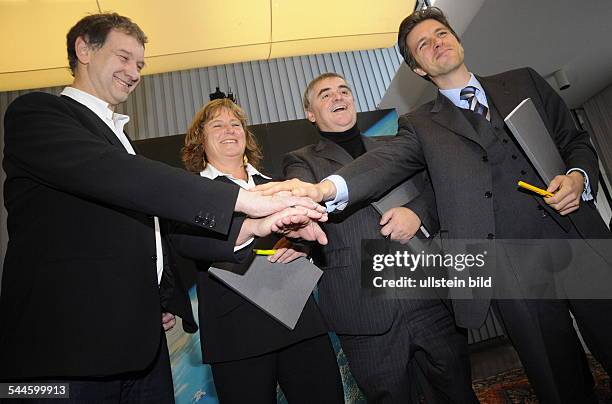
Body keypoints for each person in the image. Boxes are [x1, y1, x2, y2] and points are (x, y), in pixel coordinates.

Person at [256, 7, 612, 403]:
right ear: (418, 69)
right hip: (507, 266)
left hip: (580, 240)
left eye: (441, 33)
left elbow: (575, 141)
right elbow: (384, 166)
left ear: (457, 40)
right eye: (422, 44)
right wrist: (322, 190)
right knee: (557, 379)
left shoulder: (524, 81)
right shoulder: (419, 126)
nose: (436, 43)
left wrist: (579, 178)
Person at [0, 12, 326, 402]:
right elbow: (121, 178)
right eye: (123, 57)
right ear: (83, 49)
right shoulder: (36, 114)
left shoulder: (123, 141)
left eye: (139, 64)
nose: (134, 72)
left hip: (140, 344)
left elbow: (147, 237)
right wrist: (252, 204)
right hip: (65, 348)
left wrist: (159, 298)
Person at [280, 72, 477, 403]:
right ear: (310, 114)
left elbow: (438, 188)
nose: (338, 97)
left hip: (428, 299)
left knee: (459, 393)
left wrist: (417, 212)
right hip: (364, 314)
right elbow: (303, 200)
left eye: (344, 90)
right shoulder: (301, 161)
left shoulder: (396, 144)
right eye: (325, 95)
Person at [169, 98, 344, 404]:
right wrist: (251, 227)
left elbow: (314, 235)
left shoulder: (281, 185)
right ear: (200, 139)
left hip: (300, 324)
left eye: (235, 124)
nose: (229, 130)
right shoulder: (190, 192)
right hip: (237, 338)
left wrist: (301, 245)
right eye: (217, 125)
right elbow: (185, 242)